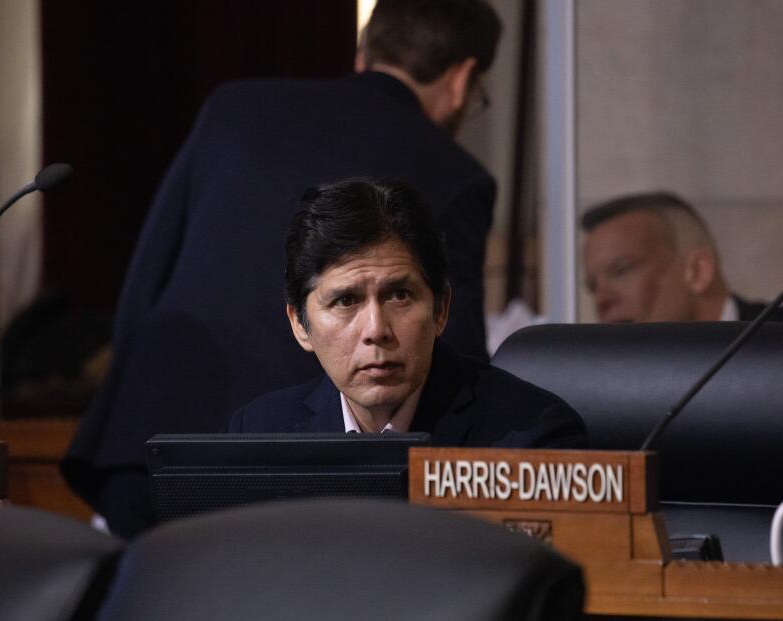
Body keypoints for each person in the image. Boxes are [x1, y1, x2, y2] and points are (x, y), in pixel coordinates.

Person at [64, 0, 507, 537]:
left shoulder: (235, 107)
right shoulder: (455, 173)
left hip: (150, 450)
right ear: (462, 81)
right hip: (305, 485)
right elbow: (448, 353)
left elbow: (147, 276)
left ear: (364, 53)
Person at [230, 178, 587, 450]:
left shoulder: (533, 435)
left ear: (441, 309)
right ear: (299, 324)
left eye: (399, 295)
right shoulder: (260, 434)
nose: (376, 330)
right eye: (346, 301)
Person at [581, 192, 783, 324]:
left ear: (698, 271)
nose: (602, 300)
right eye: (593, 286)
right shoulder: (609, 381)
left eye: (622, 270)